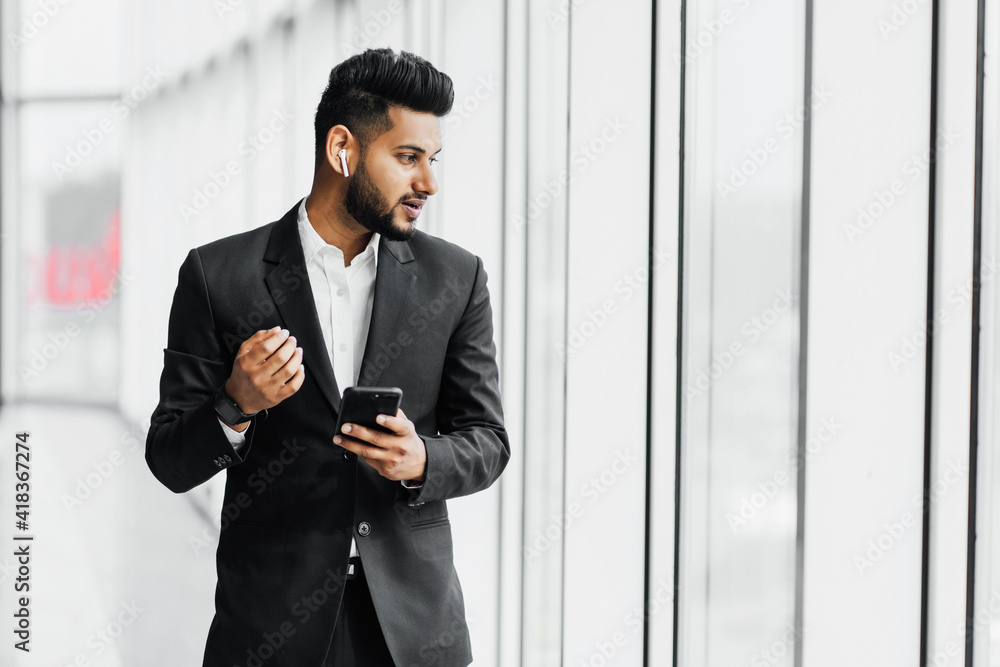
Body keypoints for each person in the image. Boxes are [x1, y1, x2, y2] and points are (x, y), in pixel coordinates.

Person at [145, 48, 509, 667]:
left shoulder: (456, 277)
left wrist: (423, 458)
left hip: (413, 632)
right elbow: (169, 460)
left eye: (433, 159)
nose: (429, 182)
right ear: (342, 148)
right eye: (408, 157)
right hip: (269, 628)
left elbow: (488, 441)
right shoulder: (219, 275)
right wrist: (236, 405)